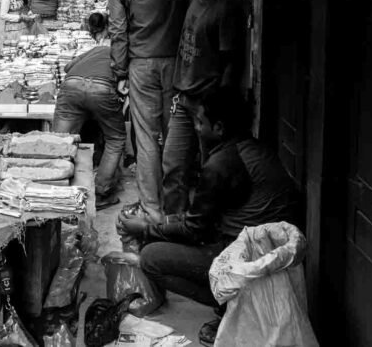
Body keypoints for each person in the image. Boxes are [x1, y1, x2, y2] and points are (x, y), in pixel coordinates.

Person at [122, 88, 299, 345]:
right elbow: (203, 217)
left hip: (248, 259)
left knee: (151, 257)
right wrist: (161, 223)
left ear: (218, 128)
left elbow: (196, 229)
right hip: (267, 251)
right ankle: (233, 304)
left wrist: (146, 229)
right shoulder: (252, 148)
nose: (196, 128)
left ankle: (231, 309)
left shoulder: (222, 163)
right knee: (167, 235)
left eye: (200, 122)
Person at [109, 0, 190, 223]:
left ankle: (151, 209)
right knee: (175, 137)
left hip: (141, 64)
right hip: (176, 63)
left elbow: (118, 31)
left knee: (146, 140)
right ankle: (175, 210)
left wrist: (120, 71)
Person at [166, 0, 245, 214]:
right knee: (173, 166)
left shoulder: (226, 8)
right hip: (184, 98)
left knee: (210, 172)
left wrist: (217, 109)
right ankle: (172, 224)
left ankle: (204, 228)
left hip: (207, 104)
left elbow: (231, 62)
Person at [52, 13, 123, 209]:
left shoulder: (94, 49)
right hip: (102, 88)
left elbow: (68, 67)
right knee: (115, 139)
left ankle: (57, 190)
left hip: (72, 86)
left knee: (60, 140)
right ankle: (99, 194)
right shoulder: (119, 53)